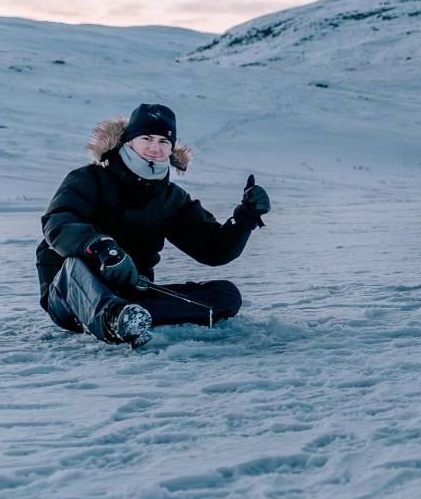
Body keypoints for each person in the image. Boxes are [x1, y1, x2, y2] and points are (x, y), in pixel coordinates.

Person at [37, 104, 272, 347]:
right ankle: (113, 319)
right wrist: (101, 247)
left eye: (163, 141)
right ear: (129, 141)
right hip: (69, 295)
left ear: (171, 148)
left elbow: (214, 250)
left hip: (129, 292)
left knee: (226, 295)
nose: (154, 148)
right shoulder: (87, 179)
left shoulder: (171, 197)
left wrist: (245, 218)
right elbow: (58, 223)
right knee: (74, 266)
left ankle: (129, 316)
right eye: (146, 138)